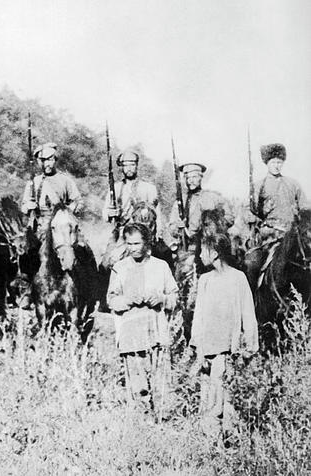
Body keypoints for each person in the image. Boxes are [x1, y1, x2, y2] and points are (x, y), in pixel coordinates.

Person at [189, 234, 258, 435]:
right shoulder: (204, 280)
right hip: (207, 347)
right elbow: (199, 315)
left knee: (226, 396)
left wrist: (249, 346)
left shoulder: (238, 278)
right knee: (208, 393)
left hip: (228, 350)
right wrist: (196, 345)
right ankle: (210, 439)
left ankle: (231, 439)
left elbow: (248, 313)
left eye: (203, 250)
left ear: (215, 253)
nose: (200, 255)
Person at [106, 222, 178, 413]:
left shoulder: (160, 266)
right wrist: (127, 300)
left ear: (146, 243)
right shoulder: (120, 268)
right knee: (138, 387)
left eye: (137, 244)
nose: (133, 249)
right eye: (129, 244)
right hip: (131, 335)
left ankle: (164, 421)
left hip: (156, 333)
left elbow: (174, 297)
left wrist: (161, 299)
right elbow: (111, 300)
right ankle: (142, 424)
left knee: (161, 383)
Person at [245, 143, 308, 243]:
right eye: (273, 162)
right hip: (268, 235)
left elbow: (305, 207)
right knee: (253, 257)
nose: (276, 166)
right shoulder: (258, 186)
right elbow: (249, 211)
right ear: (267, 163)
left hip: (292, 234)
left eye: (279, 162)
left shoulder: (293, 184)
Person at [167, 162, 233, 257]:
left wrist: (213, 226)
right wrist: (177, 226)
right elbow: (171, 227)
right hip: (187, 248)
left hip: (208, 247)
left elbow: (229, 218)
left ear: (201, 177)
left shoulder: (213, 198)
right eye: (187, 178)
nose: (190, 181)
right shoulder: (180, 201)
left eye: (194, 177)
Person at [21, 142, 82, 237]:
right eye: (42, 161)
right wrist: (29, 206)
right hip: (40, 227)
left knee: (81, 248)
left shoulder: (65, 180)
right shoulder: (34, 182)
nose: (46, 164)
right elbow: (23, 208)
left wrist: (68, 211)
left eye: (49, 160)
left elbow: (78, 202)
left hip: (63, 226)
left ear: (55, 160)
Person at [103, 149, 161, 230]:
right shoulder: (116, 188)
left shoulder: (149, 188)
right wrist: (110, 214)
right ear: (122, 168)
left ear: (137, 166)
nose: (129, 168)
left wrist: (159, 232)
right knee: (111, 242)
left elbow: (156, 213)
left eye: (132, 165)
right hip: (122, 230)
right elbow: (105, 213)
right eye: (125, 165)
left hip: (144, 230)